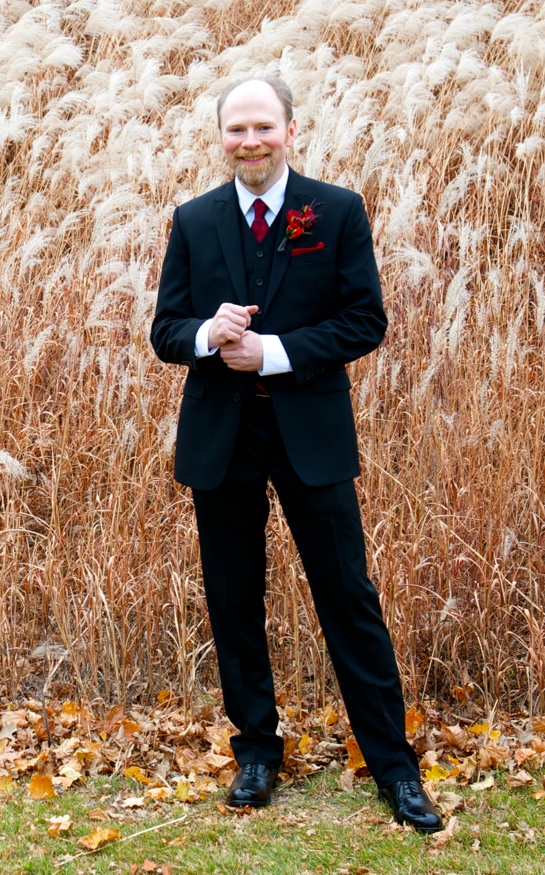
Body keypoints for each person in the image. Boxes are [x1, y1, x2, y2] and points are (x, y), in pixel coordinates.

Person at [149, 76, 442, 832]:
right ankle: (256, 751)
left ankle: (394, 767)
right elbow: (164, 331)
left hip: (310, 434)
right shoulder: (194, 219)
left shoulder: (336, 211)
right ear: (221, 136)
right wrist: (206, 336)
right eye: (236, 129)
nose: (250, 141)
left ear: (290, 128)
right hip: (222, 439)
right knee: (234, 596)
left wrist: (275, 351)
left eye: (263, 127)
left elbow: (365, 320)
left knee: (347, 594)